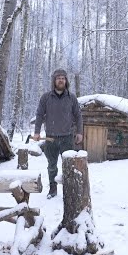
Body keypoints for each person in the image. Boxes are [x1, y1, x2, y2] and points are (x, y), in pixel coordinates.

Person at [33, 69, 83, 199]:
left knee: (69, 165)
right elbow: (39, 114)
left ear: (66, 81)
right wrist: (37, 132)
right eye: (58, 78)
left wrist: (79, 132)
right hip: (51, 138)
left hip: (67, 137)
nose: (61, 80)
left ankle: (69, 189)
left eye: (63, 78)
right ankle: (53, 189)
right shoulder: (46, 97)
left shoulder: (71, 98)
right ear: (54, 81)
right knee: (52, 166)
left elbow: (78, 116)